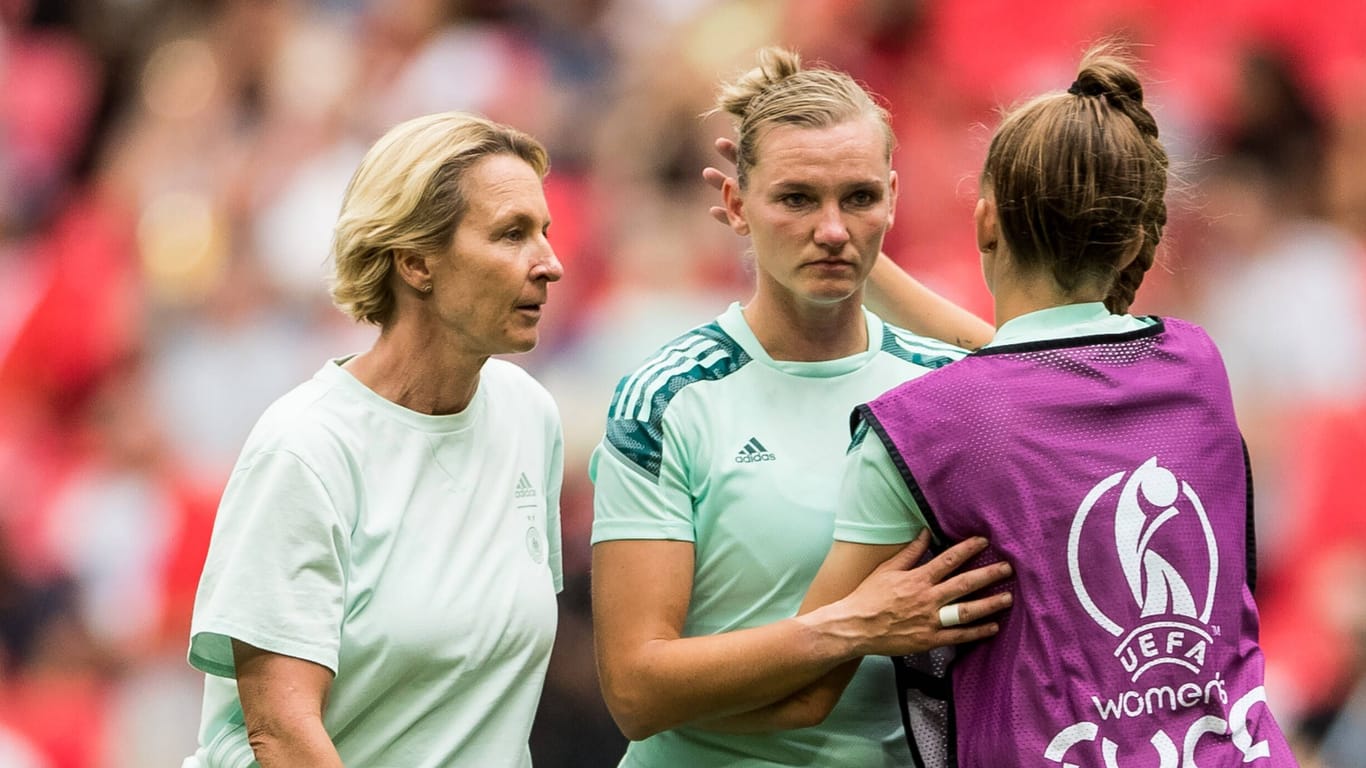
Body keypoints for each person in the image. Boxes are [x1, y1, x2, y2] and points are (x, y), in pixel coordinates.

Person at [735, 44, 1298, 766]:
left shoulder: (920, 430)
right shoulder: (1197, 366)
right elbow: (1029, 368)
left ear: (985, 222)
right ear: (1134, 237)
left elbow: (801, 696)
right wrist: (848, 246)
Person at [589, 47, 1014, 767]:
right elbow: (635, 691)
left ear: (893, 199)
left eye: (858, 198)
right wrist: (853, 627)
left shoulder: (944, 388)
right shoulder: (666, 397)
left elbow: (1043, 370)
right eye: (795, 199)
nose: (831, 230)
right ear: (733, 206)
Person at [181, 112, 566, 767]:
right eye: (511, 235)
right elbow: (279, 731)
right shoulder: (304, 449)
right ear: (415, 261)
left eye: (544, 232)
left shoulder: (531, 416)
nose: (550, 264)